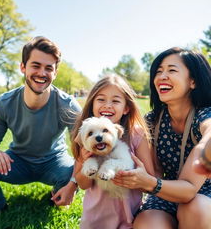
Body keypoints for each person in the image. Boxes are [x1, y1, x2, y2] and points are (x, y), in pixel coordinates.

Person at [0, 36, 81, 215]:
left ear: (55, 73)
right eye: (36, 65)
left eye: (48, 68)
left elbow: (85, 150)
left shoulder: (67, 105)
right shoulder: (5, 103)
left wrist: (73, 184)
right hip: (17, 161)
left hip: (54, 162)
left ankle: (55, 195)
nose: (42, 73)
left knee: (70, 173)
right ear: (23, 67)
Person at [111, 48, 211, 229]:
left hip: (205, 195)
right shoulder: (153, 120)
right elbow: (153, 172)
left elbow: (189, 190)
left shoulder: (204, 115)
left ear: (193, 81)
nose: (161, 76)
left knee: (196, 208)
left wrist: (207, 141)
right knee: (148, 223)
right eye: (158, 71)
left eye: (172, 70)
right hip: (165, 190)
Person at [71, 74, 155, 229]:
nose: (107, 105)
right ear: (92, 105)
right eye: (101, 99)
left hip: (129, 215)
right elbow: (83, 184)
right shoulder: (85, 139)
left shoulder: (137, 134)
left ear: (126, 108)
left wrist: (137, 177)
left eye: (115, 100)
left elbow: (151, 179)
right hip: (95, 216)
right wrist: (85, 163)